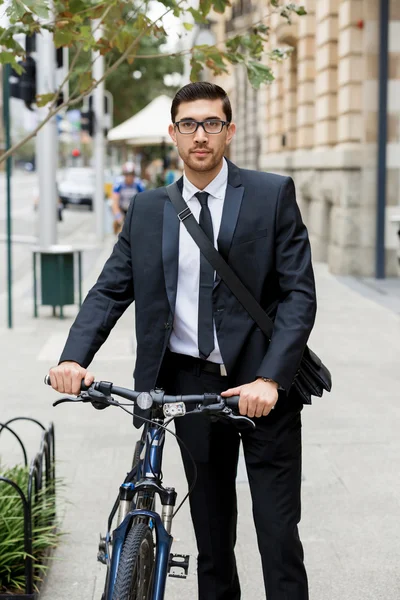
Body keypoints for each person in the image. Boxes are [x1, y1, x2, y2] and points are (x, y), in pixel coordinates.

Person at [48, 82, 317, 600]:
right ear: (173, 133)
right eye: (189, 124)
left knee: (278, 538)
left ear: (229, 131)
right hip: (191, 389)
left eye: (211, 123)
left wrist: (271, 379)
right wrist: (72, 359)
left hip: (262, 388)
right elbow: (110, 289)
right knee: (213, 541)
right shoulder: (149, 209)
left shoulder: (270, 192)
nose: (201, 135)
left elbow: (298, 295)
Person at [111, 161, 145, 233]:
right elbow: (114, 204)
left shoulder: (138, 184)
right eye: (127, 174)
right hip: (122, 210)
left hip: (133, 211)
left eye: (131, 174)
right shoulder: (119, 184)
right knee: (120, 229)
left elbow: (144, 202)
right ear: (124, 174)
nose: (129, 177)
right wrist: (119, 219)